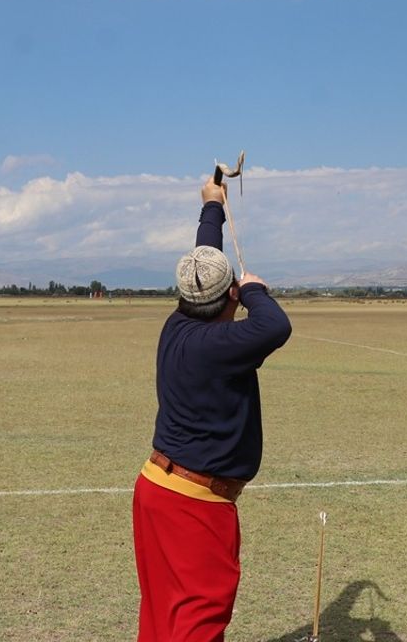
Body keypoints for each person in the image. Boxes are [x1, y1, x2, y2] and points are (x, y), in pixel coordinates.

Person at [132, 176, 292, 642]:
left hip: (157, 490)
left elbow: (204, 262)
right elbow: (275, 325)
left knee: (164, 620)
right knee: (198, 623)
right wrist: (255, 290)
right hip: (195, 504)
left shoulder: (177, 323)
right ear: (231, 297)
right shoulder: (223, 343)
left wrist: (212, 207)